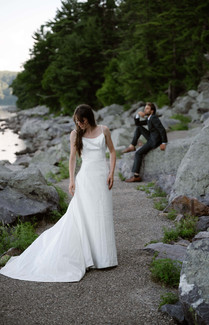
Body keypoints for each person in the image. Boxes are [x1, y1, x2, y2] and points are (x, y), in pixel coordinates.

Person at [0, 104, 118, 282]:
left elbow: (112, 151)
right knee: (85, 216)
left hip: (102, 177)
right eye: (77, 122)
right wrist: (71, 180)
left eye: (82, 121)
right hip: (85, 179)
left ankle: (105, 257)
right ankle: (89, 256)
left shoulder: (104, 130)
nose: (80, 124)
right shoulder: (75, 134)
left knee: (102, 214)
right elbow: (72, 158)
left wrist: (111, 173)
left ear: (89, 118)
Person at [124, 102, 167, 182]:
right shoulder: (149, 118)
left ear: (152, 111)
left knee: (138, 153)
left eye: (147, 108)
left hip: (154, 141)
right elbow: (138, 124)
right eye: (145, 108)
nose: (145, 110)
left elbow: (162, 129)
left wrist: (163, 143)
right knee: (139, 128)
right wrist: (137, 115)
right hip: (151, 137)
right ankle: (132, 145)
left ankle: (136, 176)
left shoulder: (154, 118)